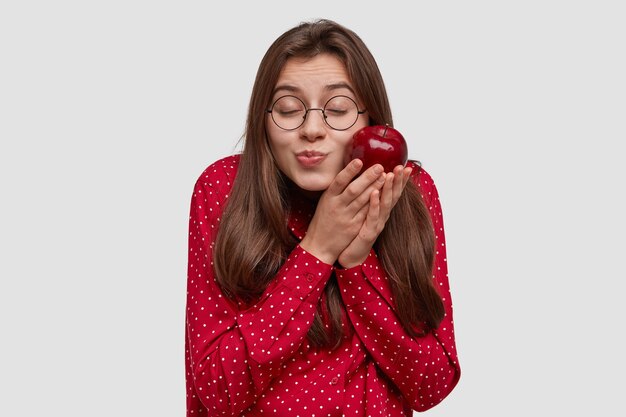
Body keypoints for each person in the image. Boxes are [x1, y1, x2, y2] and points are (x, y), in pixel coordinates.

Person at [185, 19, 460, 416]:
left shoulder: (408, 191)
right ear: (263, 120)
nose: (312, 129)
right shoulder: (223, 190)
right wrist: (318, 248)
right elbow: (216, 392)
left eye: (339, 109)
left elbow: (431, 385)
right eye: (288, 109)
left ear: (371, 121)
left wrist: (356, 261)